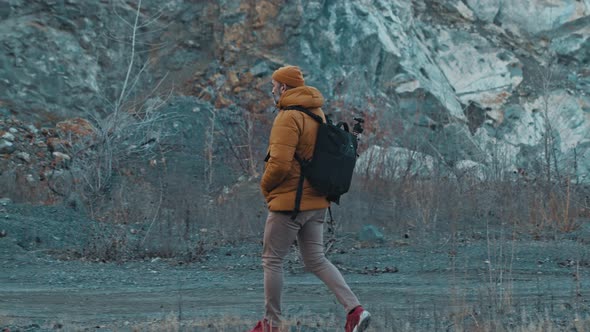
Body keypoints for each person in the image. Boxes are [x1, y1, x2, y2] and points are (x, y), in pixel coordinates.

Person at [249, 65, 371, 332]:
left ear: (283, 87)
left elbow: (279, 164)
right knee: (316, 259)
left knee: (272, 260)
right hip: (317, 202)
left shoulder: (288, 117)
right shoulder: (316, 112)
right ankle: (355, 310)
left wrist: (265, 187)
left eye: (274, 84)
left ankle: (271, 325)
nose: (272, 89)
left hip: (290, 204)